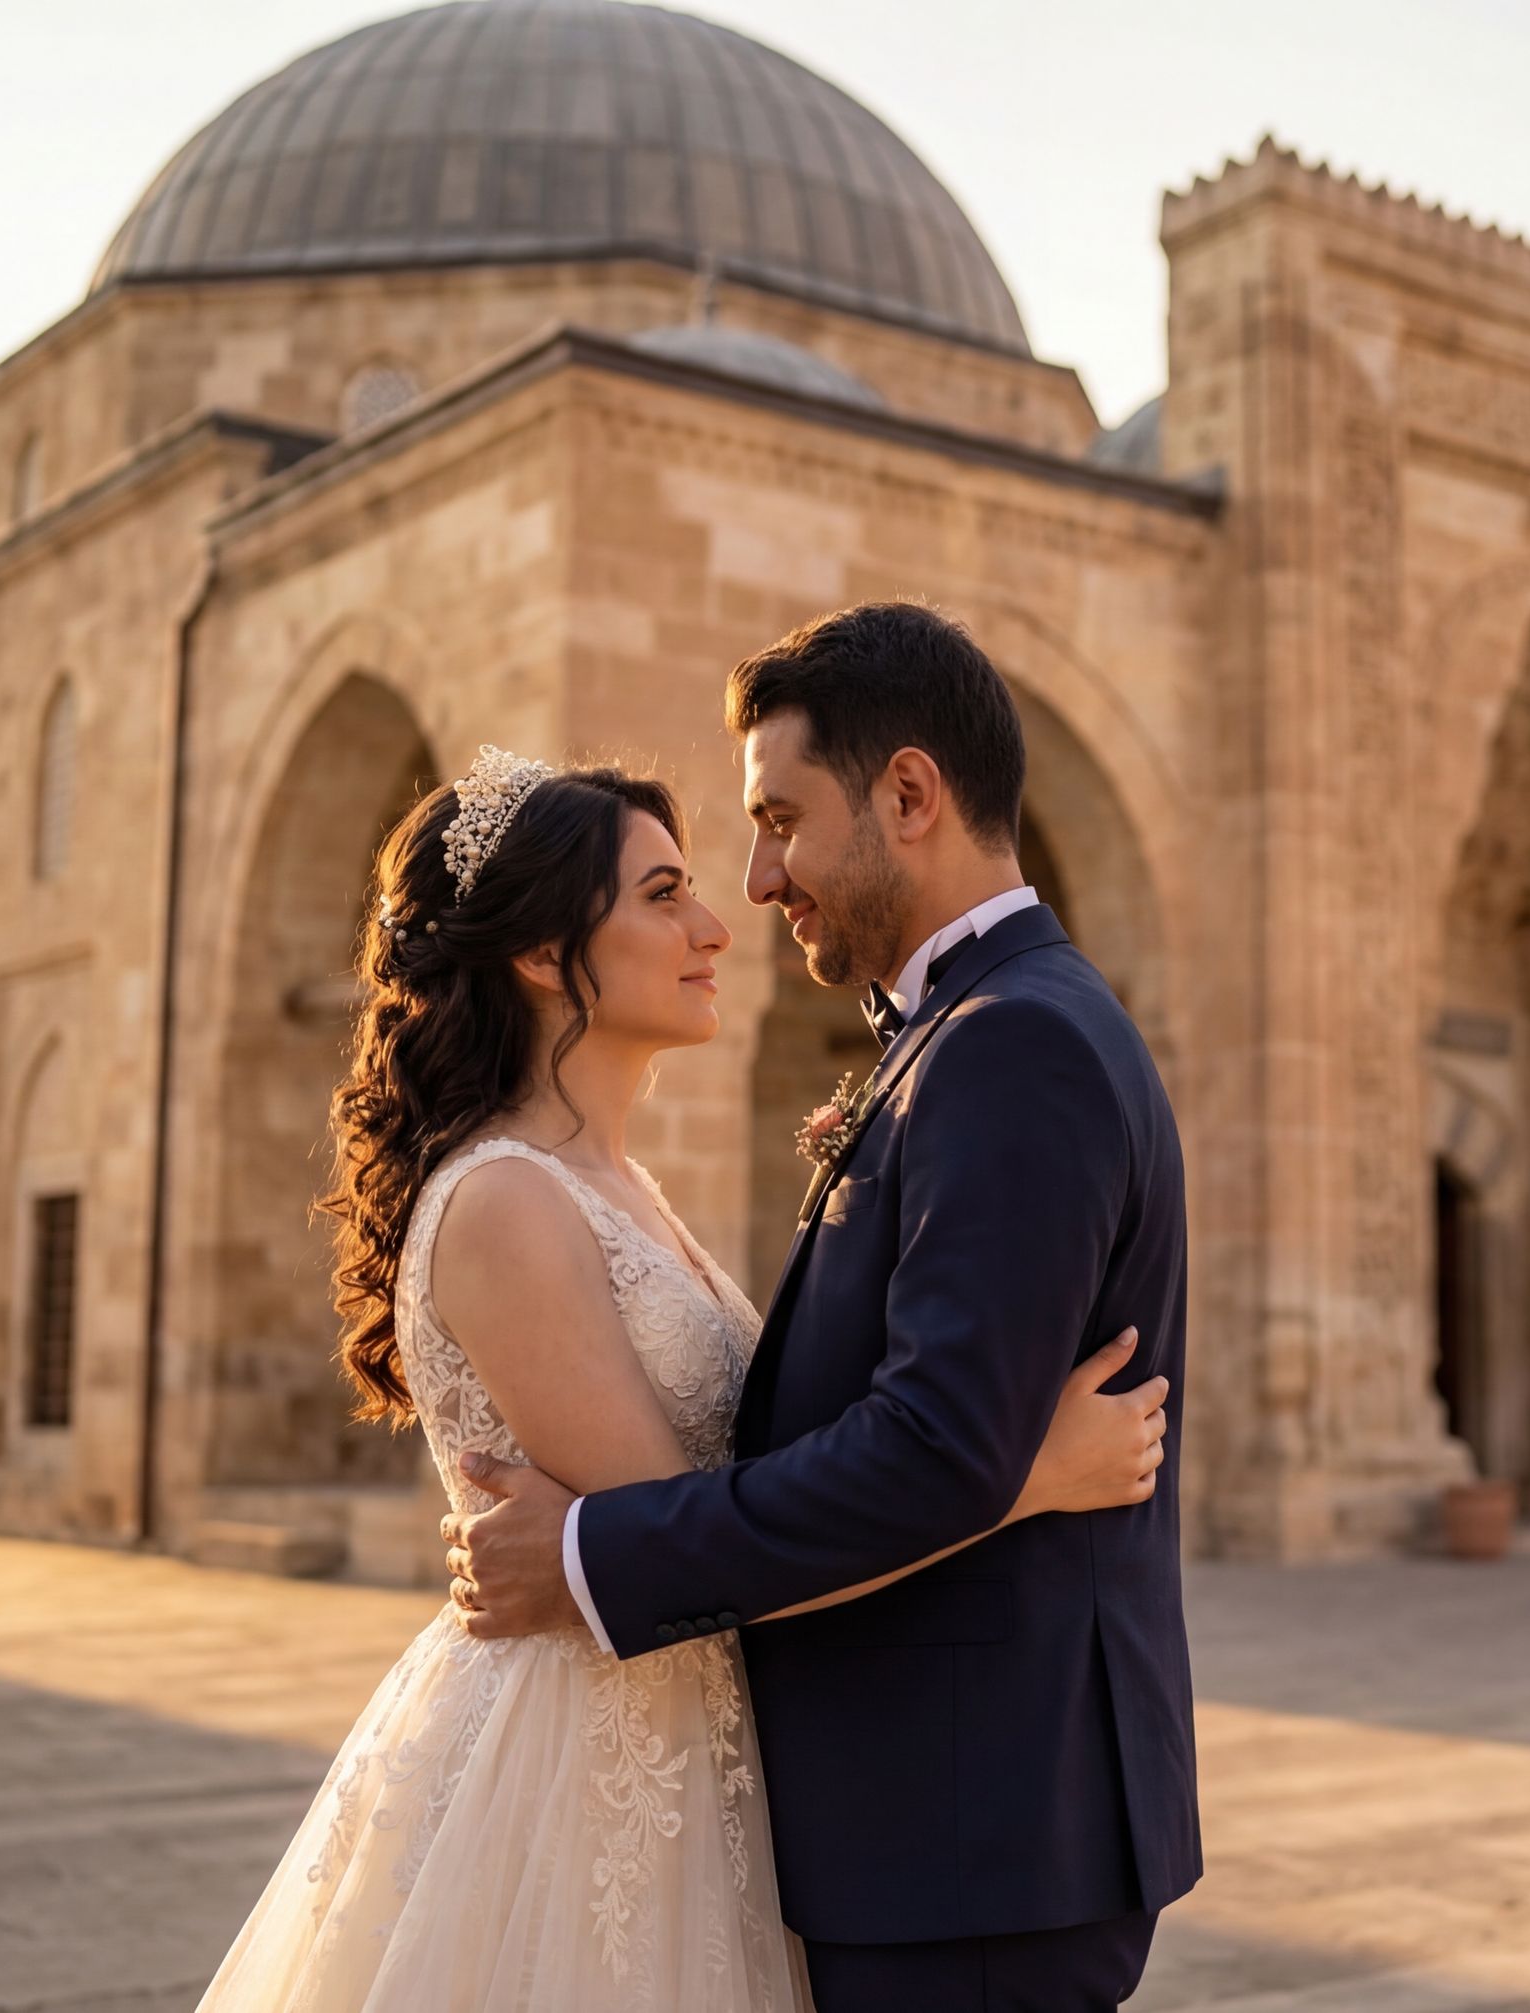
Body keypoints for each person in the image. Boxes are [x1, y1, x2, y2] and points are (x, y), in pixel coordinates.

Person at [195, 735, 1170, 2012]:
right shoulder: (505, 1205)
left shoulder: (620, 1187)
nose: (720, 923)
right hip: (584, 1768)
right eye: (663, 896)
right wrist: (1023, 1475)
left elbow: (705, 1514)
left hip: (691, 1753)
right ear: (544, 955)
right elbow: (700, 1558)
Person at [451, 602, 1200, 2012]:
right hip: (949, 1830)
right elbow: (953, 1439)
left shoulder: (1009, 1043)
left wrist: (594, 1554)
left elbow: (931, 1448)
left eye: (782, 818)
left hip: (970, 1835)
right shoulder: (971, 1031)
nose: (759, 875)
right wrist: (1026, 1473)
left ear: (908, 793)